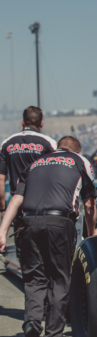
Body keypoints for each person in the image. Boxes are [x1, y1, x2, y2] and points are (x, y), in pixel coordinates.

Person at [0, 136, 97, 337]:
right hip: (59, 222)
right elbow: (89, 203)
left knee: (34, 279)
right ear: (77, 150)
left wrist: (1, 231)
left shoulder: (35, 163)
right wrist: (91, 232)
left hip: (28, 223)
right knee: (58, 279)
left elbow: (16, 200)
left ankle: (32, 323)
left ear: (56, 148)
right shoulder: (79, 161)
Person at [0, 106, 57, 257]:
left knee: (23, 251)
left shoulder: (7, 143)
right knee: (45, 248)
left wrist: (3, 208)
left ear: (22, 121)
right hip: (44, 203)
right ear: (42, 123)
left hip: (18, 204)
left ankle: (27, 278)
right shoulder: (49, 143)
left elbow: (0, 178)